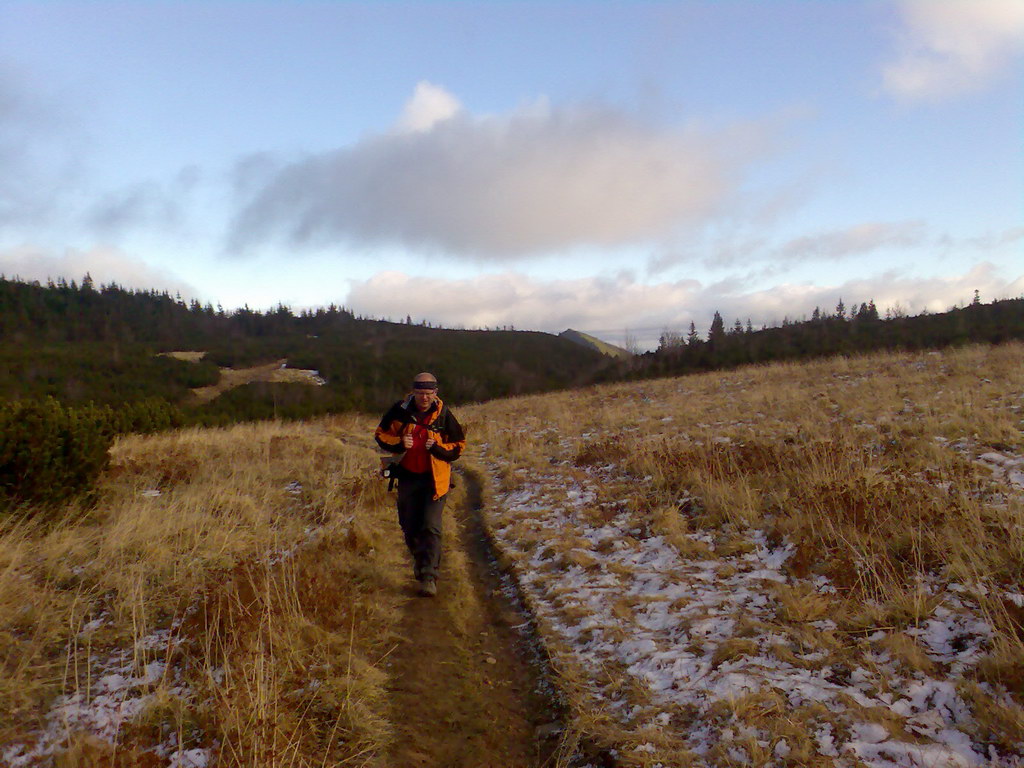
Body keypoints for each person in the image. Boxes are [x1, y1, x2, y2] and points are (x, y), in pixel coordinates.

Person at [375, 372, 466, 597]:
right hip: (407, 477)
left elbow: (459, 446)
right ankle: (420, 560)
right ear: (413, 392)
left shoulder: (443, 415)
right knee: (409, 525)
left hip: (435, 480)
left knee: (431, 526)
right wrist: (398, 443)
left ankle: (428, 576)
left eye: (428, 393)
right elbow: (380, 435)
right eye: (420, 393)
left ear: (435, 393)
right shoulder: (399, 411)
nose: (424, 398)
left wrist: (436, 448)